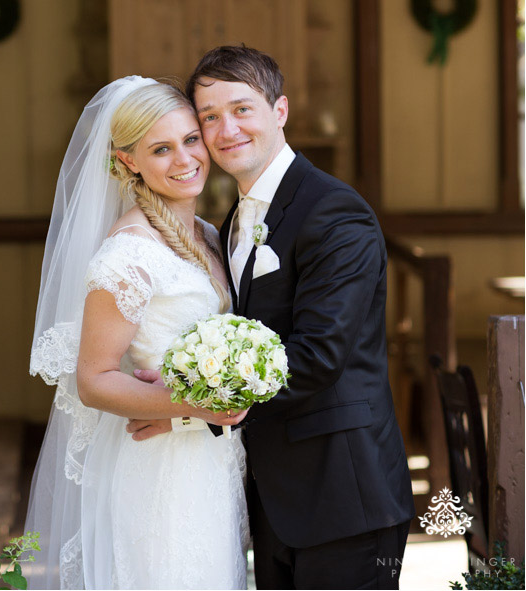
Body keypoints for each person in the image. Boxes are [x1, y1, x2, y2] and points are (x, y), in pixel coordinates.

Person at [132, 45, 413, 591]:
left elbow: (317, 358)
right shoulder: (235, 217)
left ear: (279, 111)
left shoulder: (334, 211)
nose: (225, 129)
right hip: (275, 500)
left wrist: (189, 411)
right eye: (209, 117)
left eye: (241, 109)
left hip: (343, 500)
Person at [26, 77, 248, 590]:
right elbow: (94, 379)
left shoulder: (208, 235)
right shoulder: (129, 254)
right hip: (157, 470)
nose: (184, 159)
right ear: (128, 162)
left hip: (207, 457)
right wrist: (194, 404)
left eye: (191, 140)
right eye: (161, 149)